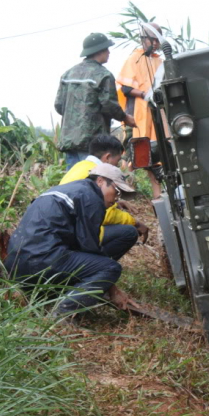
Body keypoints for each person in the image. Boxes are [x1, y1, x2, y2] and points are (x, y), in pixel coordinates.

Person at [4, 163, 137, 318]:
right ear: (100, 181)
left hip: (16, 263)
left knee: (93, 261)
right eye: (116, 191)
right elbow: (89, 247)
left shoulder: (69, 189)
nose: (115, 200)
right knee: (110, 268)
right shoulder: (91, 198)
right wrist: (110, 286)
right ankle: (63, 313)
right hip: (42, 260)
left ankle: (51, 296)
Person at [55, 32, 137, 170]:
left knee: (74, 181)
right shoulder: (103, 75)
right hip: (93, 142)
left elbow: (59, 105)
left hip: (69, 139)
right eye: (107, 49)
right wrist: (125, 118)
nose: (109, 52)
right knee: (91, 181)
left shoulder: (68, 74)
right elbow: (109, 105)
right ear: (100, 50)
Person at [60, 133, 150, 248]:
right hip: (75, 233)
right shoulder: (94, 172)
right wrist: (135, 222)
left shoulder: (79, 166)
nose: (116, 167)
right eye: (117, 162)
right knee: (129, 232)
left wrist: (114, 202)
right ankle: (98, 262)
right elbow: (100, 215)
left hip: (67, 227)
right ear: (107, 158)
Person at [116, 22, 164, 199]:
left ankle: (158, 197)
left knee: (157, 157)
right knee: (134, 155)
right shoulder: (134, 59)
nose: (156, 44)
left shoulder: (159, 60)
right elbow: (126, 89)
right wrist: (146, 95)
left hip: (157, 115)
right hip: (138, 116)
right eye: (153, 40)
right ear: (144, 40)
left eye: (158, 40)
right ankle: (121, 195)